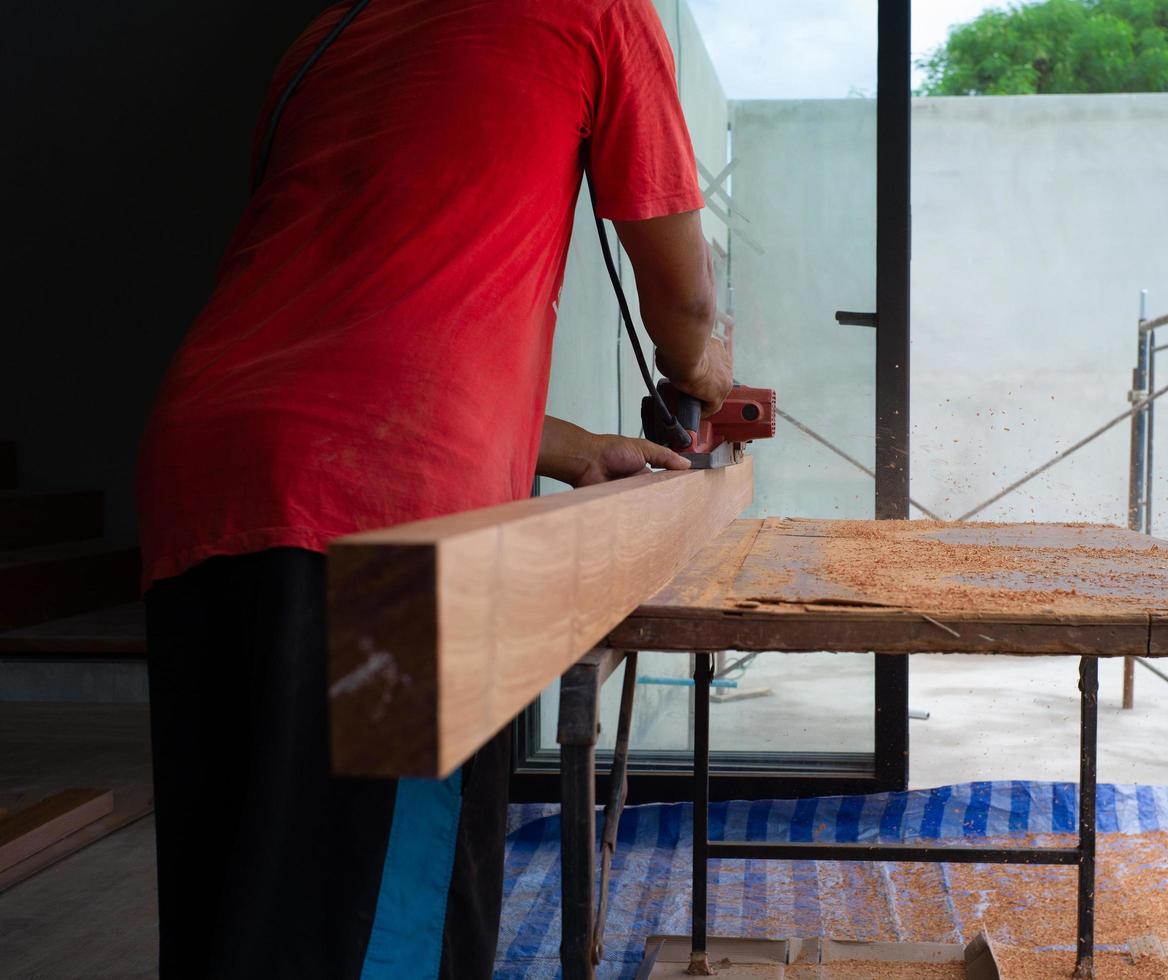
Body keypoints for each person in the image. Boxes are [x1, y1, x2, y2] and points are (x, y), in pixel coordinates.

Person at [135, 0, 731, 976]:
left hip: (204, 472)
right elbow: (687, 305)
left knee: (244, 902)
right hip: (394, 537)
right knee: (389, 923)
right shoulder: (601, 12)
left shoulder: (323, 39)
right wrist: (713, 373)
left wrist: (573, 448)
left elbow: (341, 317)